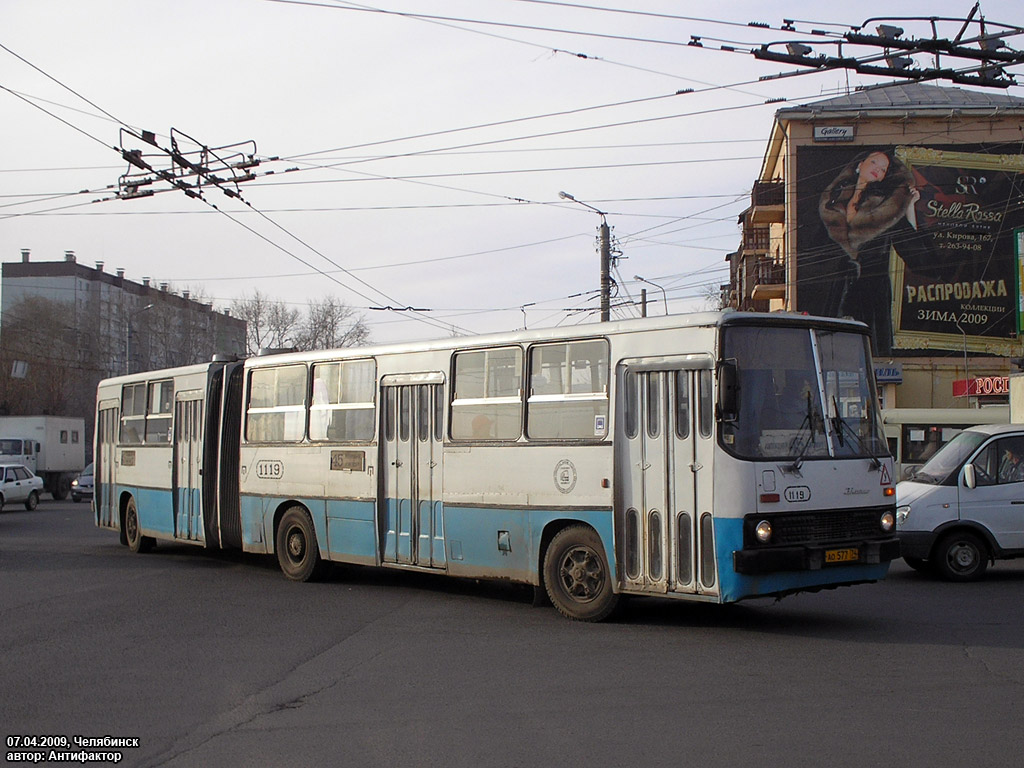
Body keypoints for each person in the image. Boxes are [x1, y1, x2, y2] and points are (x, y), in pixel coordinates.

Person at [815, 149, 932, 354]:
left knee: (870, 357)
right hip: (836, 291)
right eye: (874, 163)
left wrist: (909, 208)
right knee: (830, 356)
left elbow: (915, 253)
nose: (878, 170)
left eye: (883, 169)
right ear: (860, 165)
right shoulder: (834, 200)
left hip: (872, 291)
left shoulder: (886, 208)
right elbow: (815, 251)